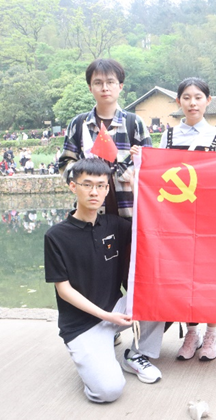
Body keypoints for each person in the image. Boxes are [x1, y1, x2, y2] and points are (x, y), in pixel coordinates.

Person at [44, 158, 165, 403]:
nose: (94, 192)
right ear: (72, 186)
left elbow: (149, 226)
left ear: (108, 189)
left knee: (162, 294)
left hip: (116, 311)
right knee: (108, 391)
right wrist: (106, 316)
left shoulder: (114, 225)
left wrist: (136, 187)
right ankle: (94, 355)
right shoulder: (56, 236)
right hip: (83, 324)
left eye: (100, 185)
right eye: (87, 184)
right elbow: (64, 290)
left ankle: (136, 355)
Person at [159, 77, 216, 362]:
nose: (192, 103)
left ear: (208, 101)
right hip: (178, 219)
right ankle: (192, 332)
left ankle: (211, 333)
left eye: (198, 97)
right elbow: (158, 176)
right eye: (187, 97)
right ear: (179, 101)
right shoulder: (167, 137)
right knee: (184, 275)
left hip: (211, 218)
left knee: (211, 275)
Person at [58, 58, 152, 220]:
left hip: (129, 212)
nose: (105, 88)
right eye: (98, 83)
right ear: (90, 87)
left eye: (110, 82)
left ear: (120, 86)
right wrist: (87, 176)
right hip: (89, 215)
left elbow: (150, 167)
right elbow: (65, 163)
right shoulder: (79, 124)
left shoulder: (134, 123)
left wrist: (126, 170)